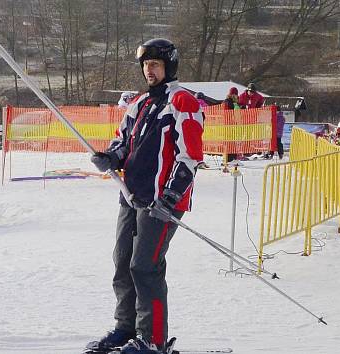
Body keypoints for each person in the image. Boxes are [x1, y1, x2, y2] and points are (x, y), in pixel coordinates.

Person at [87, 38, 204, 354]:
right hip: (131, 195)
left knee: (145, 266)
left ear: (169, 66)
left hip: (161, 202)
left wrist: (170, 196)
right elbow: (122, 143)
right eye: (145, 65)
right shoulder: (139, 104)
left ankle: (152, 339)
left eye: (155, 65)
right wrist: (110, 158)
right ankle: (126, 329)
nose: (149, 71)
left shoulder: (183, 102)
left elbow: (190, 156)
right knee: (123, 262)